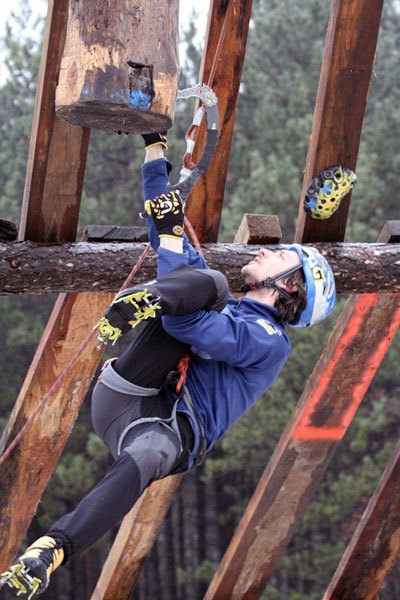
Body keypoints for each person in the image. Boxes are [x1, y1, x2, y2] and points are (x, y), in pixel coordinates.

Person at [1, 132, 336, 598]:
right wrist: (154, 149)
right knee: (202, 276)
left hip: (166, 431)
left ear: (291, 288)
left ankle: (49, 552)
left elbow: (187, 329)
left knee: (150, 453)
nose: (263, 251)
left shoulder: (269, 340)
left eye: (278, 256)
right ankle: (143, 303)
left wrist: (165, 285)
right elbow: (166, 230)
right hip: (135, 387)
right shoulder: (224, 303)